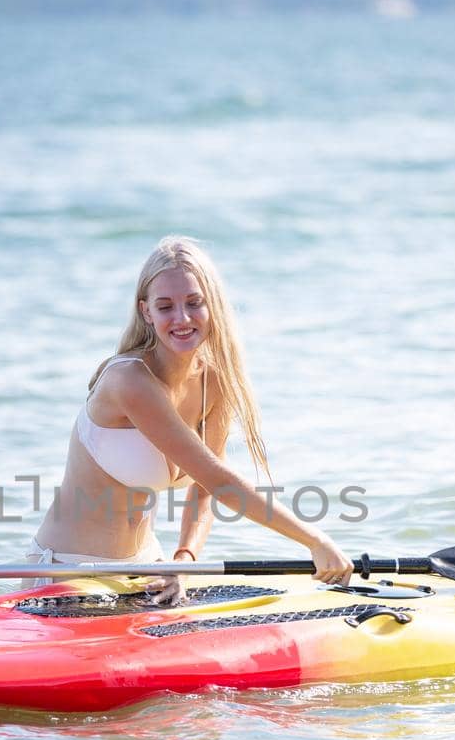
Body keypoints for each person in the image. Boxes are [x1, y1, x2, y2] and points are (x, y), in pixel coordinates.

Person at [24, 236, 354, 602]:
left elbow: (205, 488)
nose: (181, 318)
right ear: (146, 312)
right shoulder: (129, 380)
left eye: (194, 303)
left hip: (148, 568)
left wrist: (183, 561)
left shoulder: (215, 379)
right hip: (69, 570)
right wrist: (314, 540)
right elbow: (219, 479)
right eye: (165, 307)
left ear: (212, 305)